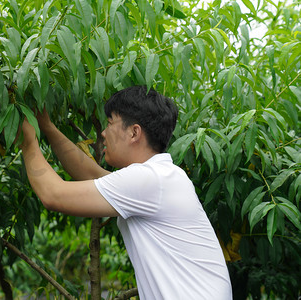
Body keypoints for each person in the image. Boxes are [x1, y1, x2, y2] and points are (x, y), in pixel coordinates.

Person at [19, 85, 232, 299]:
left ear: (134, 132)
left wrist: (27, 140)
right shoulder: (159, 176)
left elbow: (53, 195)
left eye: (110, 122)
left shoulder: (151, 180)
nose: (103, 133)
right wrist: (46, 127)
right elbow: (92, 175)